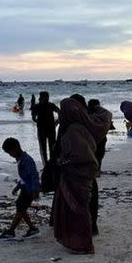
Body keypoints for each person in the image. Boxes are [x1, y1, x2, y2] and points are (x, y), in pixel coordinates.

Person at [52, 98, 100, 254]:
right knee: (78, 209)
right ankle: (79, 242)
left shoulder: (74, 130)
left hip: (77, 174)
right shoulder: (81, 128)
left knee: (79, 210)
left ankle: (84, 244)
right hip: (81, 174)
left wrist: (62, 161)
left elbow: (82, 155)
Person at [0, 138, 40, 238]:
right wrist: (17, 187)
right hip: (25, 188)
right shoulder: (21, 159)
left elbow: (34, 175)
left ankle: (11, 230)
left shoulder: (27, 160)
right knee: (20, 207)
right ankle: (32, 228)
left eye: (10, 152)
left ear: (15, 148)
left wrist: (35, 190)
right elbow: (23, 177)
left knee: (21, 209)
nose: (10, 155)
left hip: (29, 190)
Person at [85, 100, 113, 236]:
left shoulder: (90, 116)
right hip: (101, 139)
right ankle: (97, 170)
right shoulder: (103, 115)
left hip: (95, 142)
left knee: (96, 155)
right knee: (99, 156)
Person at [32, 91, 60, 165]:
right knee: (52, 147)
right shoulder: (51, 105)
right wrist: (57, 121)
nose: (39, 98)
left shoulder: (37, 106)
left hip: (42, 128)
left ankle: (46, 164)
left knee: (43, 148)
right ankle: (52, 164)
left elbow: (33, 117)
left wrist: (37, 121)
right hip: (50, 128)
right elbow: (59, 112)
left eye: (40, 97)